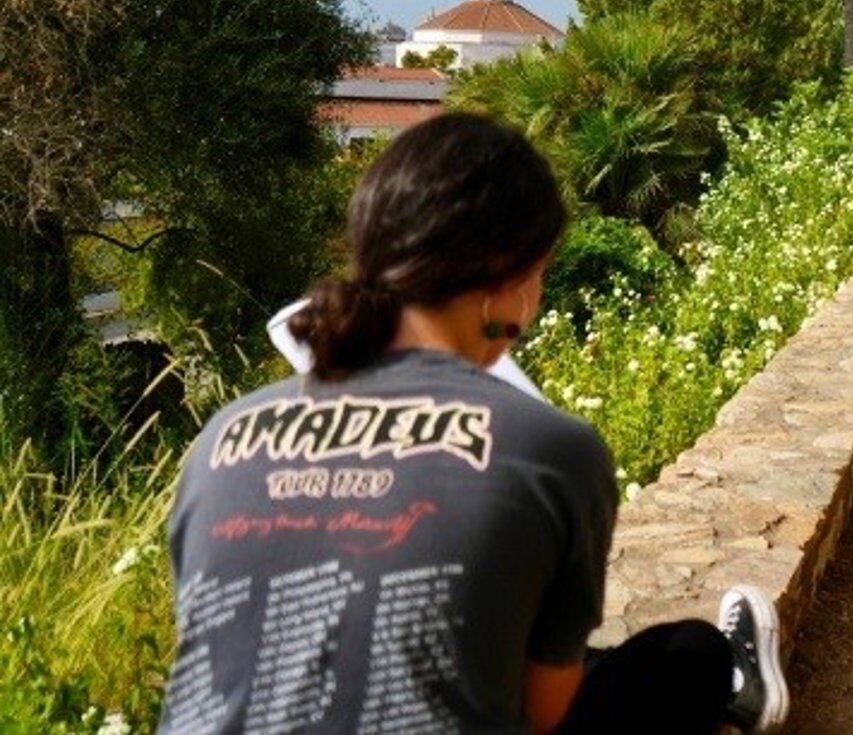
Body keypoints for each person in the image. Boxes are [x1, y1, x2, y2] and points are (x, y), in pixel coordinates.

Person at [156, 112, 788, 734]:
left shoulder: (220, 439)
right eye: (539, 276)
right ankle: (733, 679)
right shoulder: (553, 449)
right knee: (691, 655)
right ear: (506, 279)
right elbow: (544, 713)